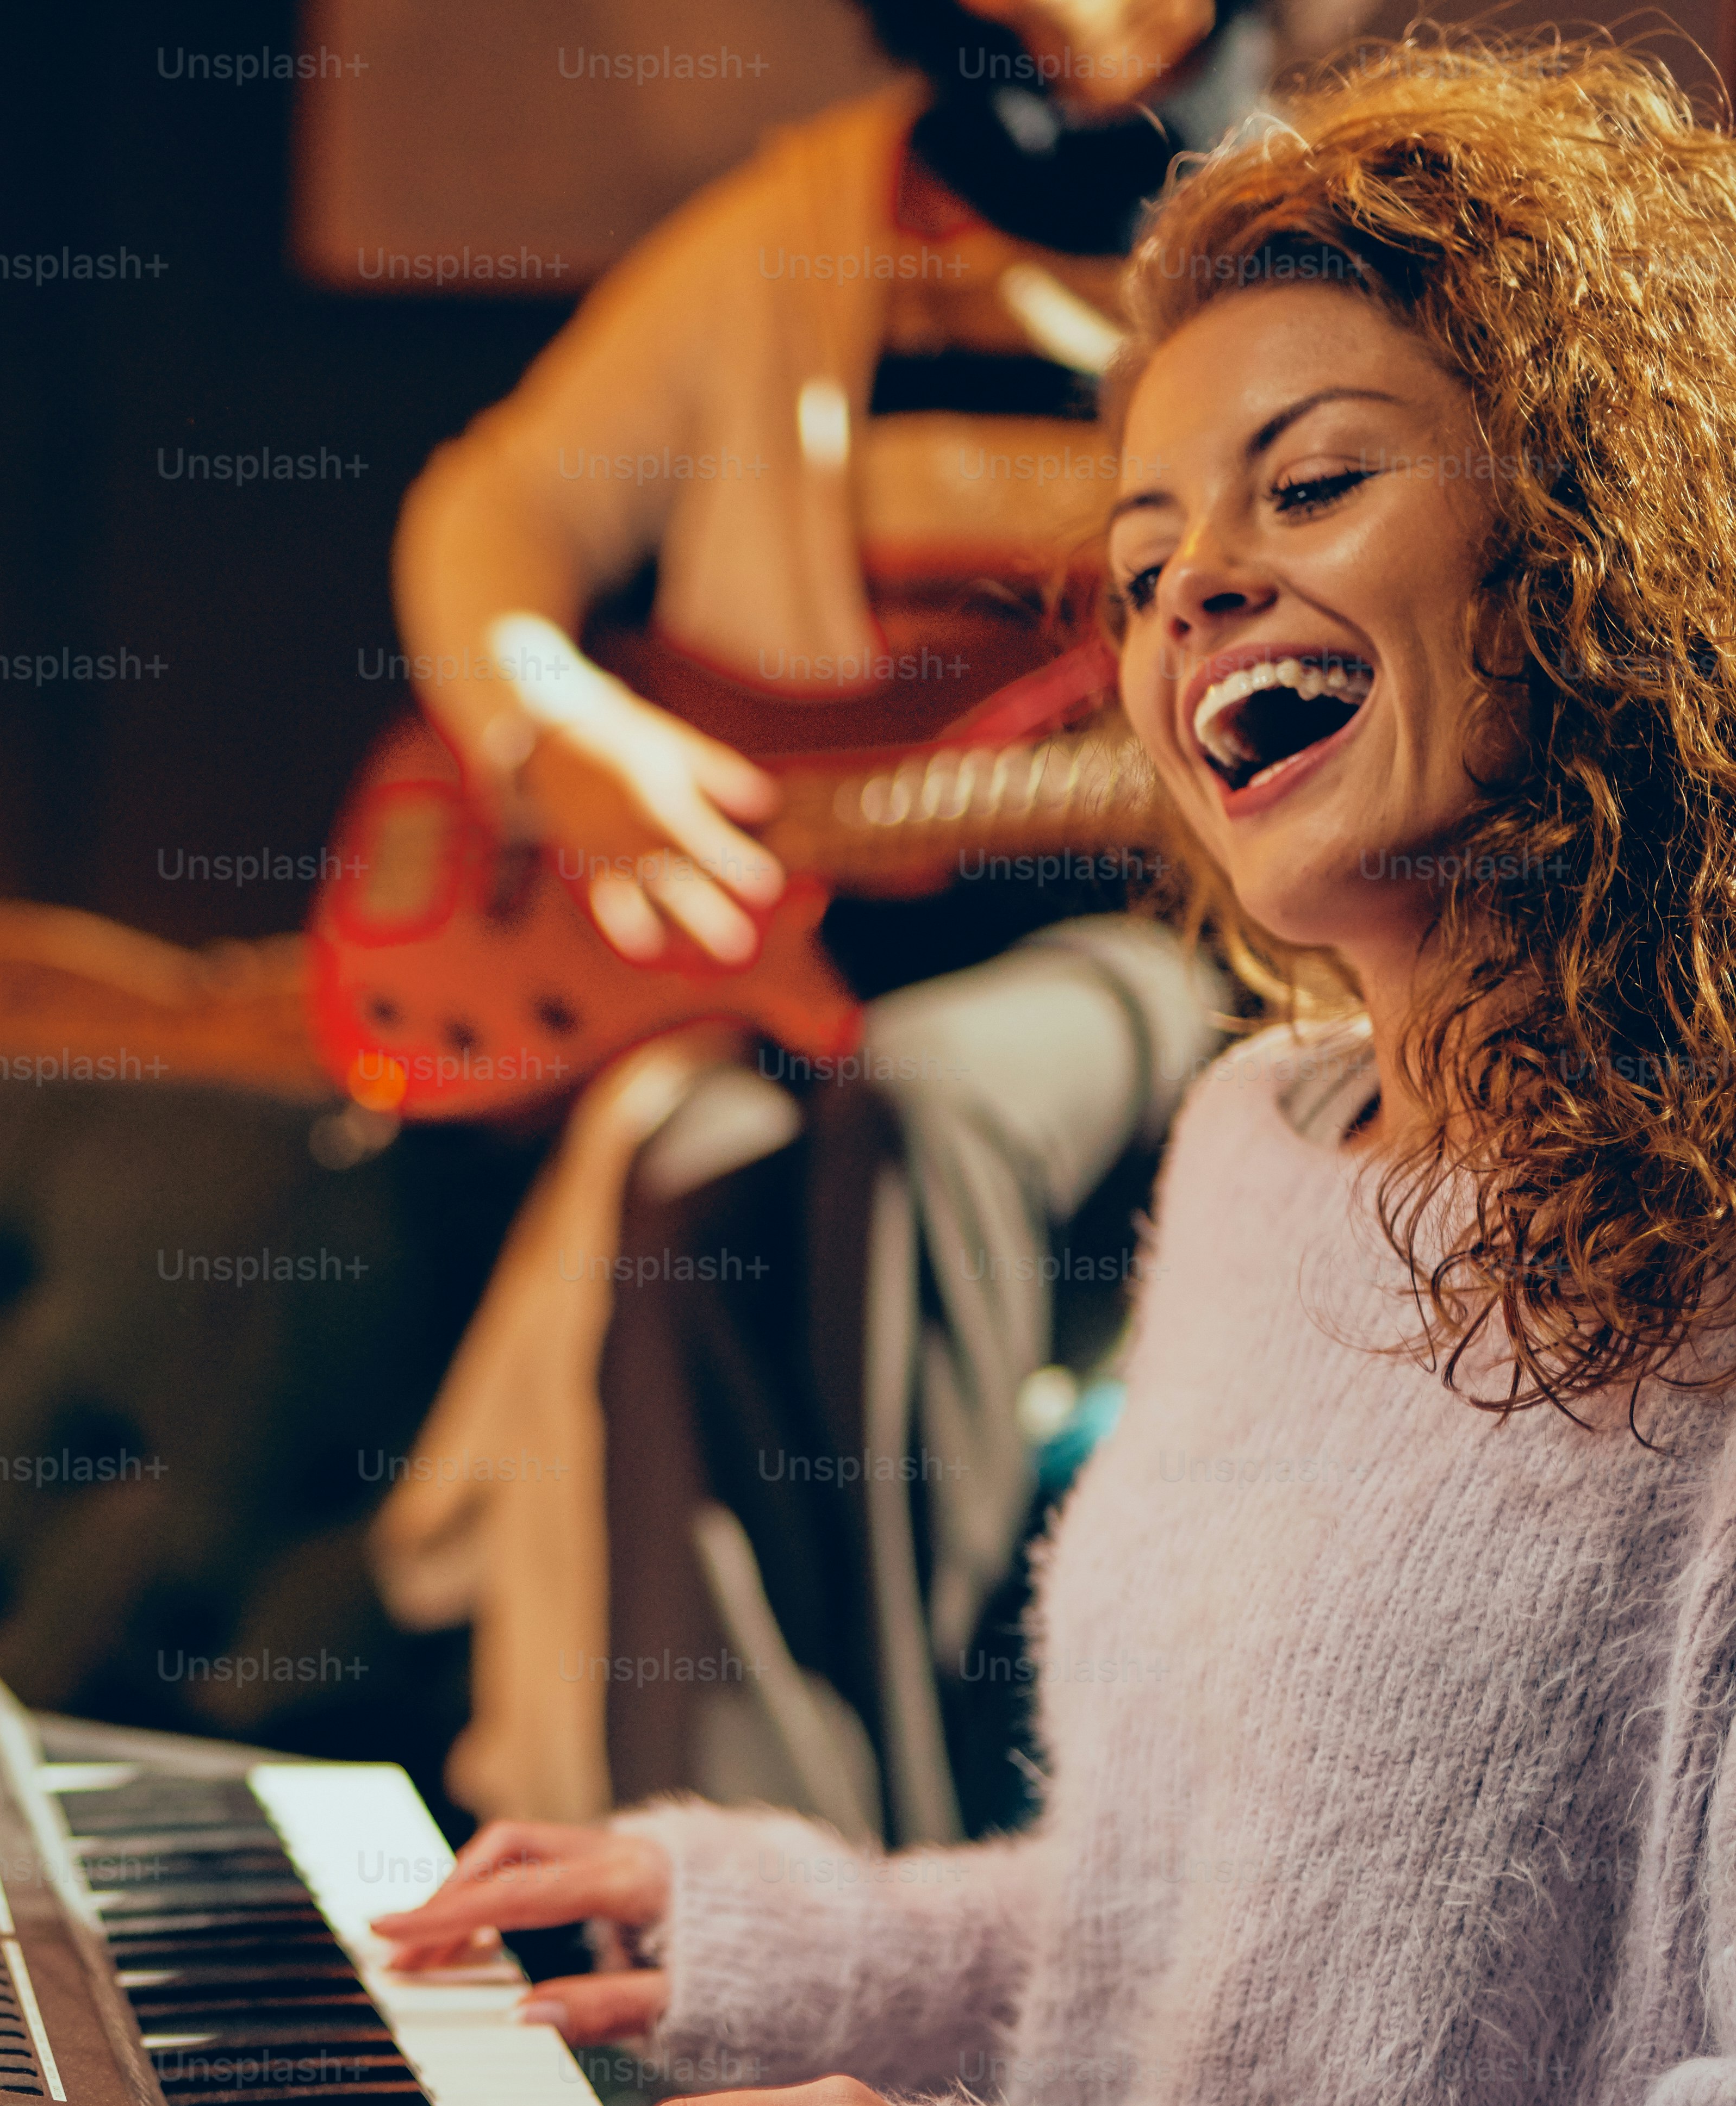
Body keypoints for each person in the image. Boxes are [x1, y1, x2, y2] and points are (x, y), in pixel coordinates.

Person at [378, 40, 1736, 2106]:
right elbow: (1254, 1926)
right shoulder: (1275, 1151)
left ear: (1616, 544)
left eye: (1309, 486)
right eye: (1144, 540)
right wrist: (756, 1943)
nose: (1183, 598)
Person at [369, 0, 1353, 1845]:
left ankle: (917, 1903)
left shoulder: (1321, 239)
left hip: (1173, 949)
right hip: (820, 947)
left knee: (929, 1104)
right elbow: (492, 508)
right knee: (686, 1178)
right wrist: (550, 737)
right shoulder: (807, 226)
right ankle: (722, 1893)